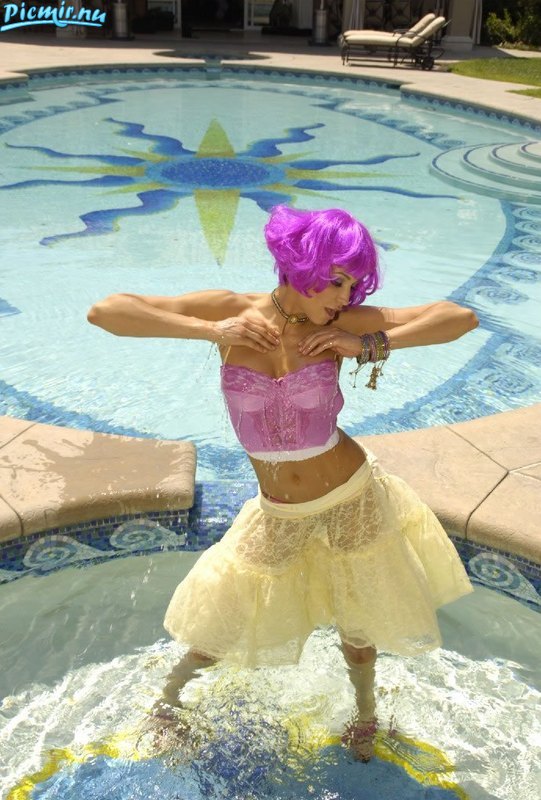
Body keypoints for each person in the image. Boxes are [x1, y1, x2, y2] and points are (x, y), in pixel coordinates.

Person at [87, 205, 478, 761]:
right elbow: (106, 312)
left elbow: (458, 317)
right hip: (279, 509)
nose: (345, 296)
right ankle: (168, 703)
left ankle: (365, 715)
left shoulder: (343, 325)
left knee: (358, 632)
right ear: (302, 265)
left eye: (354, 285)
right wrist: (210, 330)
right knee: (221, 622)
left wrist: (369, 345)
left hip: (350, 496)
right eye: (337, 280)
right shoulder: (233, 312)